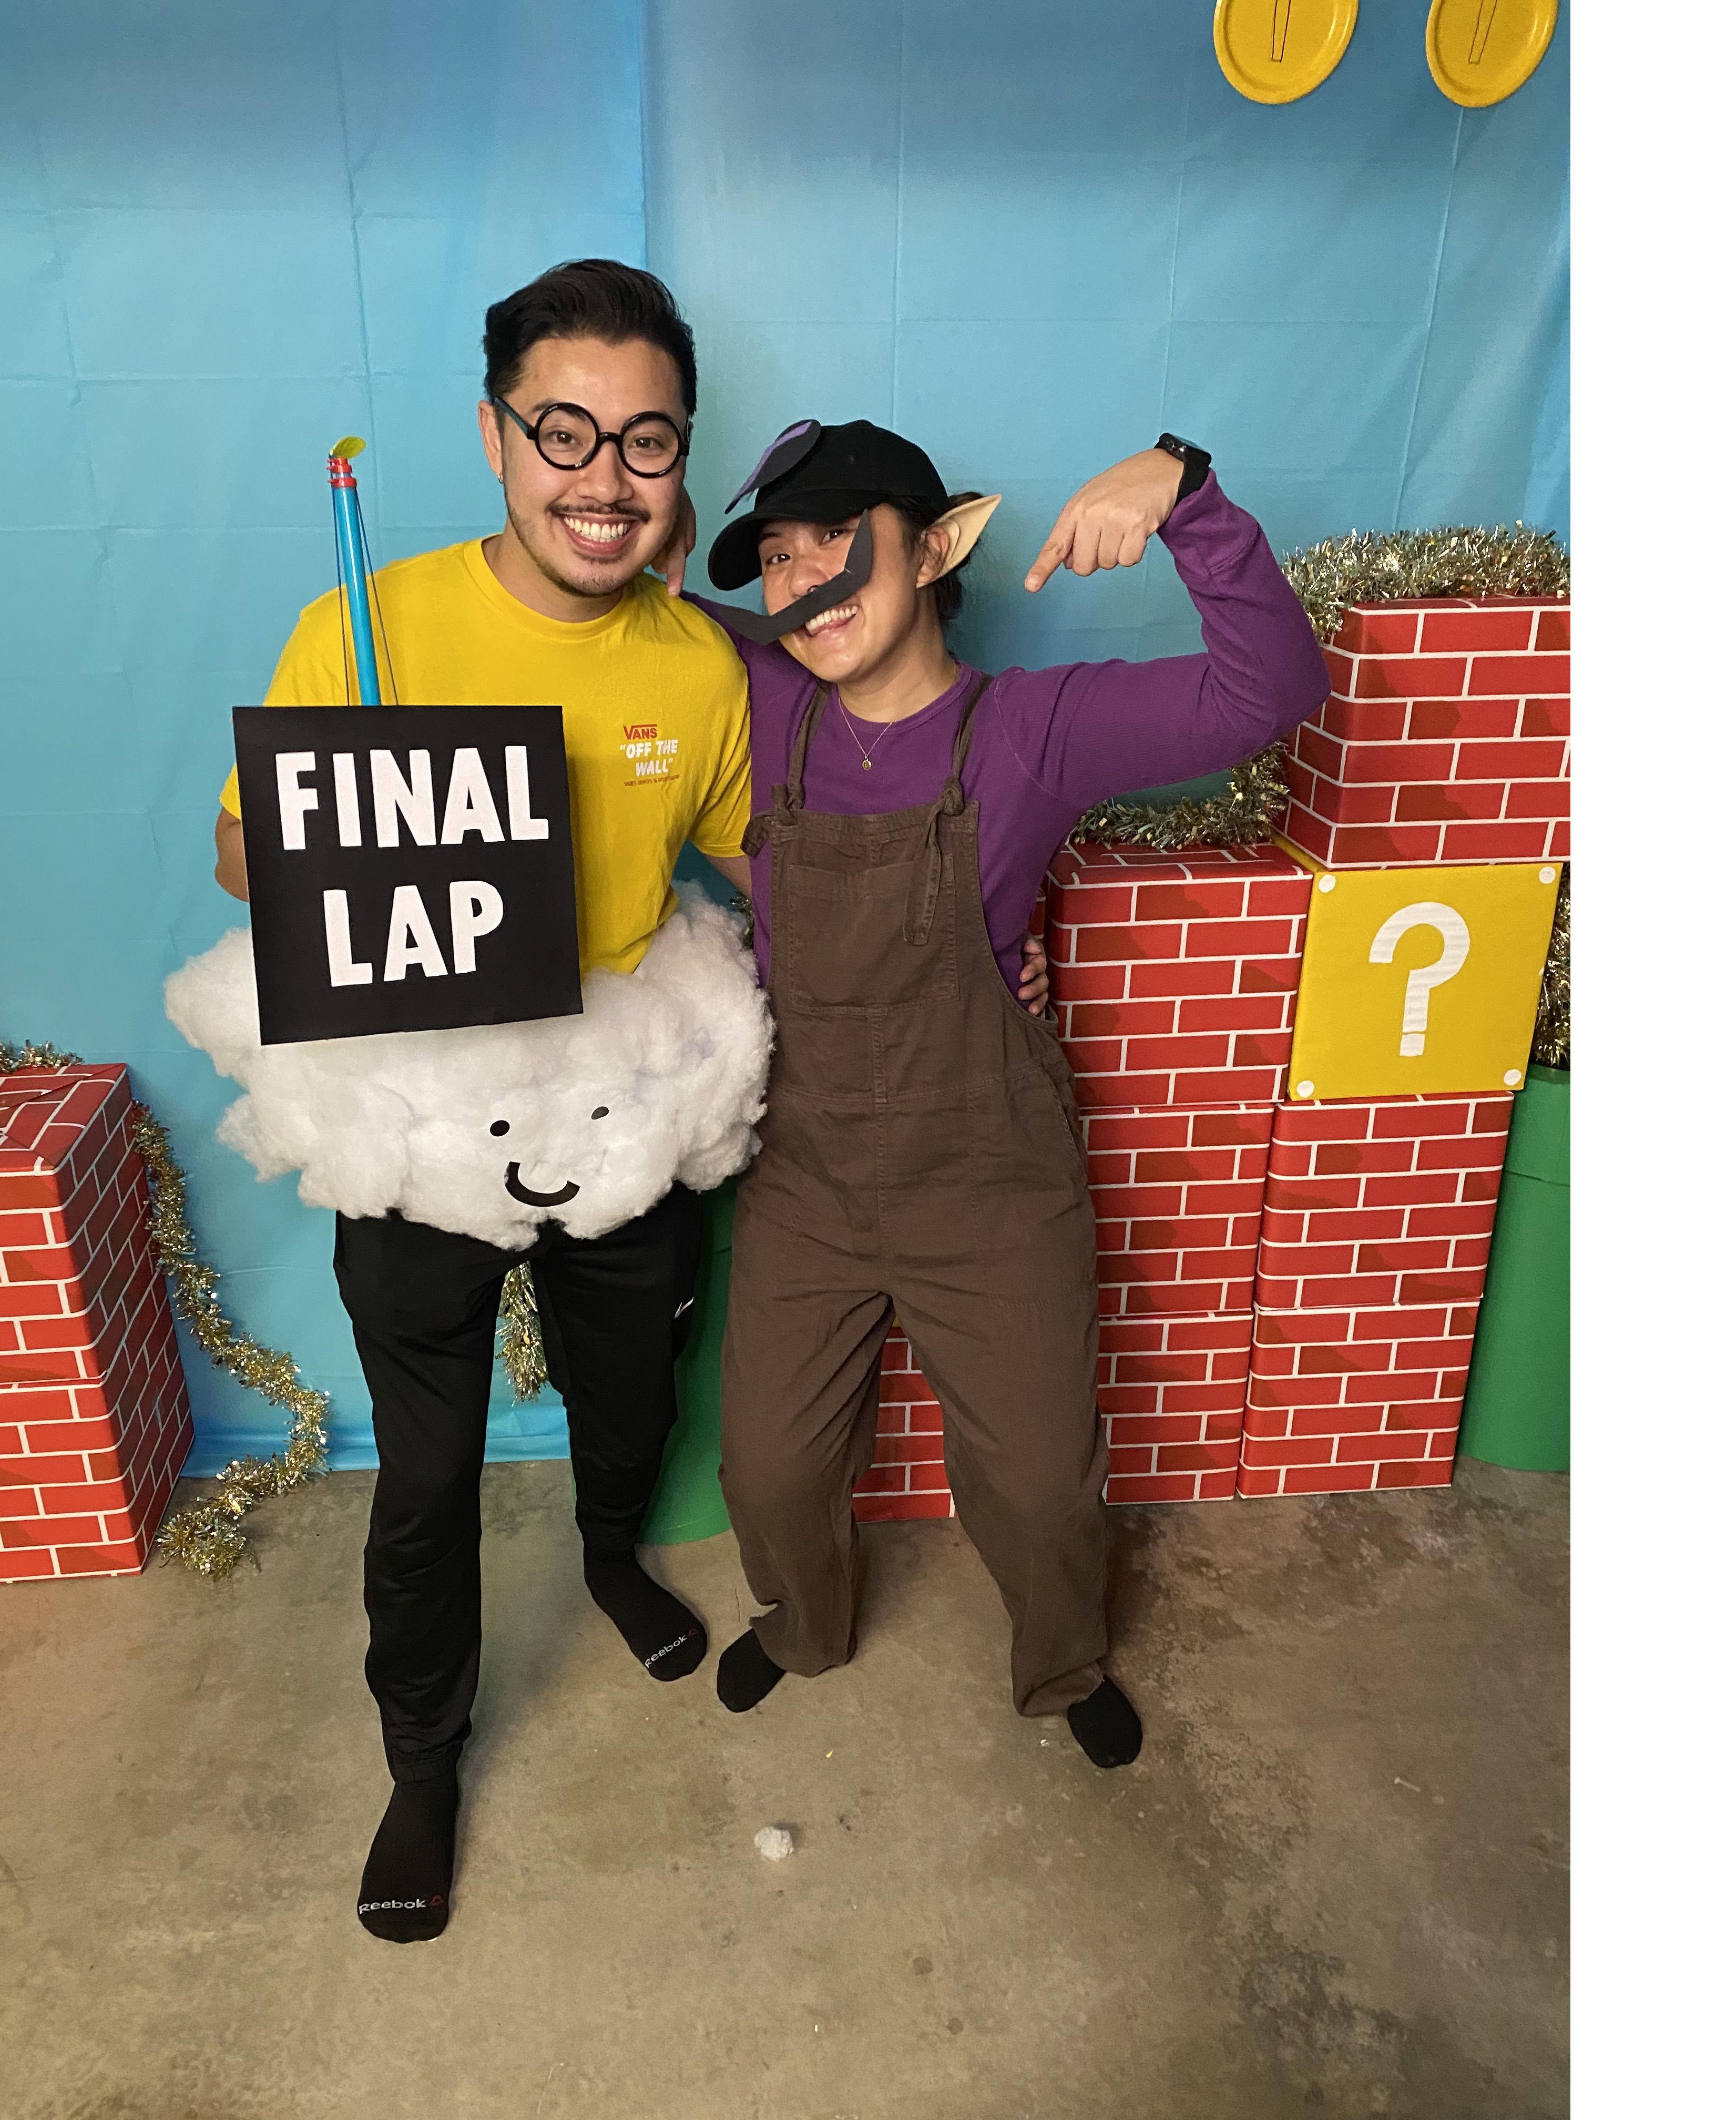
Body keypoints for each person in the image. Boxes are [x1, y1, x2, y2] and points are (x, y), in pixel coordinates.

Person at [199, 260, 1056, 1944]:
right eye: (564, 433)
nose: (605, 477)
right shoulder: (367, 625)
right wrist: (352, 816)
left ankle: (607, 1553)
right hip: (430, 1109)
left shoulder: (700, 666)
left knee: (633, 1381)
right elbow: (238, 855)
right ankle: (422, 1757)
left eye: (646, 440)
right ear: (496, 435)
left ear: (681, 455)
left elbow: (774, 867)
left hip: (616, 1091)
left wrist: (958, 941)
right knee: (424, 1473)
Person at [687, 417, 1329, 1766]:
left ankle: (1064, 1663)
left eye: (835, 542)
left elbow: (1268, 691)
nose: (801, 583)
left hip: (990, 1181)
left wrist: (1185, 491)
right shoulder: (759, 694)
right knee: (770, 1468)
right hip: (809, 1181)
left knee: (1040, 1488)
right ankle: (802, 1628)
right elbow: (608, 609)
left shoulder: (1032, 729)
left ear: (934, 549)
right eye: (777, 557)